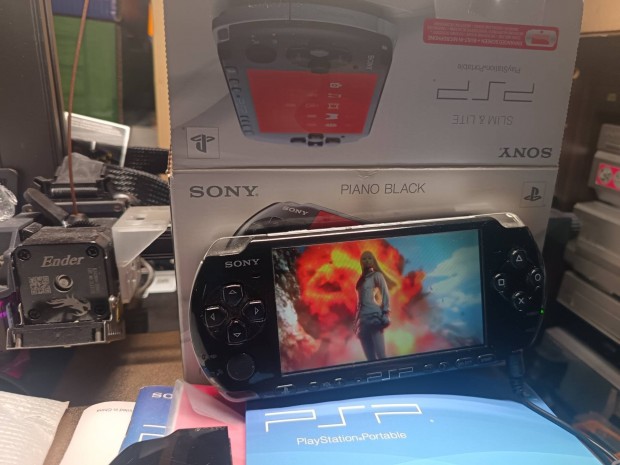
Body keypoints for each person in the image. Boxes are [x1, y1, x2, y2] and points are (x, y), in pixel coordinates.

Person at [355, 250, 393, 361]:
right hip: (362, 320)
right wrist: (356, 320)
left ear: (373, 260)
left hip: (373, 316)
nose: (367, 261)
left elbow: (385, 293)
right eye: (364, 259)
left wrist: (385, 312)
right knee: (370, 359)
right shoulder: (361, 280)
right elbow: (359, 301)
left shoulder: (377, 275)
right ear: (361, 262)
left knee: (381, 355)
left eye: (369, 258)